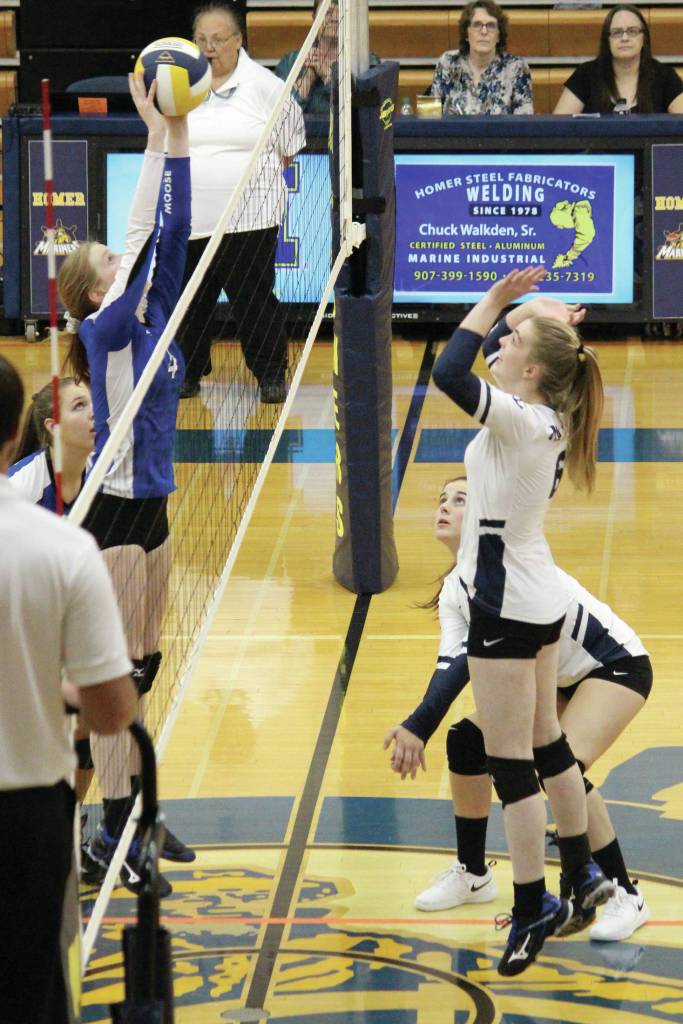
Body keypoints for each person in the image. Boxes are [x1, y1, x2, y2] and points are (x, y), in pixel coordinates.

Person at [428, 270, 609, 975]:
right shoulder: (542, 413)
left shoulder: (515, 417)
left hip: (504, 602)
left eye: (510, 341)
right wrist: (541, 314)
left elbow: (448, 368)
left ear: (533, 368)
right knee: (546, 741)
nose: (495, 343)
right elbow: (508, 357)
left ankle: (532, 902)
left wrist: (498, 300)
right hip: (537, 593)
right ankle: (583, 874)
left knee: (511, 764)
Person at [386, 475, 652, 943]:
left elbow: (468, 664)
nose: (445, 506)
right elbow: (451, 663)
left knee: (561, 768)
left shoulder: (507, 569)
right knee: (467, 741)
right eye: (442, 497)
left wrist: (416, 725)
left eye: (461, 500)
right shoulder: (455, 589)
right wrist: (420, 724)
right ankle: (473, 874)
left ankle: (625, 895)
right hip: (554, 677)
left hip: (614, 667)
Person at [57, 74, 195, 896]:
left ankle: (136, 811)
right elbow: (145, 234)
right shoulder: (99, 329)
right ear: (95, 285)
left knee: (146, 665)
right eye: (110, 260)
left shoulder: (155, 314)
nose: (125, 259)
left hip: (156, 505)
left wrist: (173, 136)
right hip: (109, 508)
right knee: (117, 674)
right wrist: (150, 138)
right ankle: (108, 828)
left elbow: (171, 230)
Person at [0, 354, 137, 1024]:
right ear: (13, 436)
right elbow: (113, 710)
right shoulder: (55, 544)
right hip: (25, 812)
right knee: (32, 988)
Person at [177, 2, 306, 402]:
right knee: (191, 301)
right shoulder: (181, 85)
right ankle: (188, 372)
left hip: (250, 221)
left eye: (217, 40)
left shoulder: (267, 87)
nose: (209, 48)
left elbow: (291, 147)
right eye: (201, 40)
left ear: (238, 41)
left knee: (254, 302)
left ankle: (270, 374)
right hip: (193, 218)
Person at [553, 4, 683, 114]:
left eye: (632, 31)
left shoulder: (665, 77)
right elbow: (558, 129)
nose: (625, 38)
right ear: (607, 40)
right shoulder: (585, 75)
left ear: (644, 39)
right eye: (617, 32)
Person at [429, 0, 533, 115]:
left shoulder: (516, 68)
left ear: (499, 36)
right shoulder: (447, 62)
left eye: (491, 26)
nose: (484, 31)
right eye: (477, 25)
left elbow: (524, 124)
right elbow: (430, 118)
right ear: (466, 34)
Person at [8, 377, 93, 512]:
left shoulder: (104, 471)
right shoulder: (19, 487)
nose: (94, 413)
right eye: (79, 405)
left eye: (94, 402)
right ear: (53, 427)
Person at [275, 0, 338, 114]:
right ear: (314, 18)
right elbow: (279, 115)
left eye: (340, 13)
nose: (334, 18)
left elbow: (360, 115)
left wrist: (328, 77)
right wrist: (307, 78)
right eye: (328, 12)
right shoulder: (290, 62)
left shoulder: (365, 62)